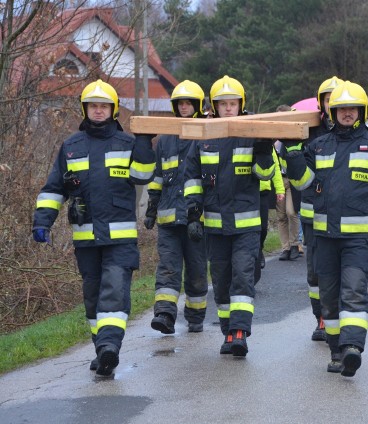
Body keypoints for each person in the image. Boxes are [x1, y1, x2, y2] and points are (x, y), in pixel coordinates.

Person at [283, 81, 368, 376]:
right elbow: (304, 185)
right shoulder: (318, 146)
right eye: (341, 108)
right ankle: (335, 350)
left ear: (361, 110)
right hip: (325, 238)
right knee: (328, 298)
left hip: (358, 239)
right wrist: (293, 156)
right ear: (332, 112)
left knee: (354, 291)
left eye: (351, 108)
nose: (346, 113)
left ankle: (352, 347)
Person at [32, 79, 156, 376]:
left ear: (113, 110)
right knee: (93, 297)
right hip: (86, 240)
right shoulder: (71, 147)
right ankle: (102, 349)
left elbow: (142, 177)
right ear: (85, 109)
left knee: (114, 291)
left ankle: (110, 346)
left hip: (120, 240)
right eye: (93, 106)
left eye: (103, 106)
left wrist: (143, 145)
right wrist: (42, 220)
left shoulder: (127, 143)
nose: (98, 111)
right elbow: (53, 189)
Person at [183, 75, 275, 357]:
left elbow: (265, 176)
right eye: (223, 104)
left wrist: (263, 152)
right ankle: (228, 331)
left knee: (242, 278)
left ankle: (239, 332)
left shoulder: (253, 133)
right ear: (214, 106)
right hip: (214, 225)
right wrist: (193, 210)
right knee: (221, 281)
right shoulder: (204, 136)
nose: (228, 109)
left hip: (246, 226)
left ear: (241, 105)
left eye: (232, 104)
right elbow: (192, 176)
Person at [144, 80, 209, 335]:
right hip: (169, 220)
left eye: (188, 103)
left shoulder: (206, 133)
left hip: (197, 220)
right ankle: (165, 315)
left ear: (197, 105)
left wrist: (198, 214)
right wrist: (151, 207)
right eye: (180, 103)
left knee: (196, 270)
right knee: (168, 268)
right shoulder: (166, 139)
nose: (184, 107)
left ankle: (195, 315)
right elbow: (159, 176)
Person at [294, 75, 344, 342]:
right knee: (315, 272)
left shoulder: (357, 132)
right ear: (321, 103)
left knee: (340, 270)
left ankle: (337, 316)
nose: (333, 103)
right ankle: (322, 318)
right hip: (313, 214)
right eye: (328, 98)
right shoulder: (307, 130)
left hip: (346, 217)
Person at [273, 105, 298, 262]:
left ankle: (295, 243)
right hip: (278, 179)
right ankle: (285, 248)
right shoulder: (272, 138)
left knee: (291, 212)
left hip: (291, 178)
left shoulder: (294, 136)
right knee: (281, 216)